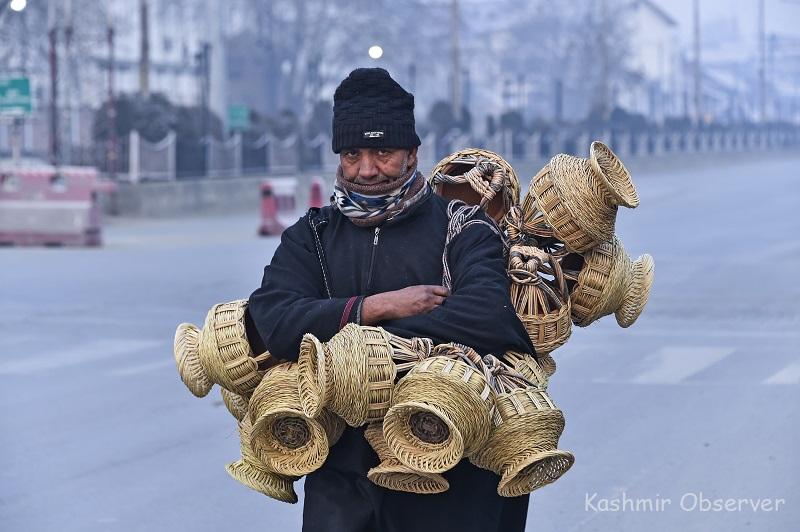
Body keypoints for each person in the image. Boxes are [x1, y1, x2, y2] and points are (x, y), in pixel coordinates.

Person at [245, 68, 536, 532]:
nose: (366, 169)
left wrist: (341, 334)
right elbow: (270, 320)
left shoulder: (463, 228)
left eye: (383, 151)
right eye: (353, 153)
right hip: (343, 475)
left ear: (411, 153)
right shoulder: (312, 237)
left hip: (451, 471)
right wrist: (376, 308)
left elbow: (486, 315)